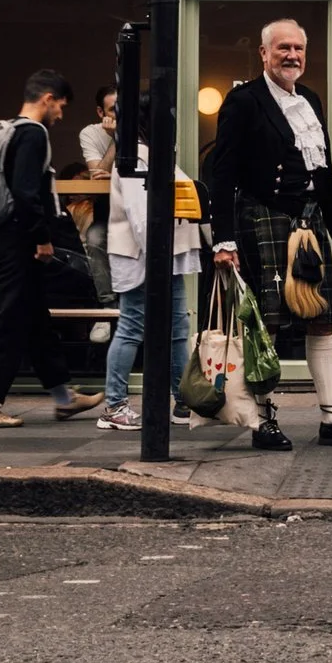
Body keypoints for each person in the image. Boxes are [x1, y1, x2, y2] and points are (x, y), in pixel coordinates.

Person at [203, 20, 332, 452]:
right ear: (263, 53)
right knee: (266, 325)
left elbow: (323, 173)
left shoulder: (311, 100)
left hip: (309, 222)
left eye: (299, 48)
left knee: (321, 321)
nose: (292, 56)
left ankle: (331, 417)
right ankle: (263, 420)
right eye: (283, 48)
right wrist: (223, 240)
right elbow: (221, 173)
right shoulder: (244, 101)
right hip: (262, 218)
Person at [0, 70, 102, 428]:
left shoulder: (4, 132)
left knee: (37, 319)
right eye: (61, 107)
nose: (61, 115)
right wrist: (41, 237)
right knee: (8, 320)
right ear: (47, 99)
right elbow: (25, 192)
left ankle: (62, 396)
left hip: (0, 236)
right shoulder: (33, 135)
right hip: (19, 241)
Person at [97, 115, 203, 432]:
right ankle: (114, 405)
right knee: (133, 325)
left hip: (161, 255)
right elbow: (140, 212)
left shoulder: (148, 155)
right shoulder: (137, 158)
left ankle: (183, 402)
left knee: (177, 328)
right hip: (145, 255)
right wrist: (155, 254)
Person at [77, 86, 119, 302]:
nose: (119, 115)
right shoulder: (90, 133)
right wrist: (116, 139)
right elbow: (97, 177)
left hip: (138, 210)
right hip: (108, 209)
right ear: (100, 113)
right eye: (113, 110)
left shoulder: (143, 129)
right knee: (94, 238)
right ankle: (108, 306)